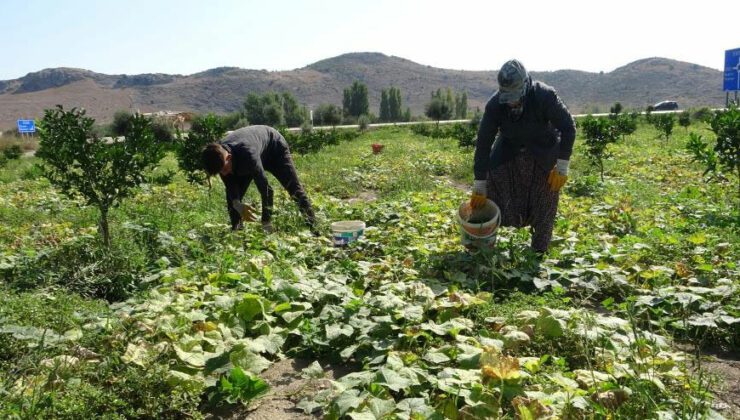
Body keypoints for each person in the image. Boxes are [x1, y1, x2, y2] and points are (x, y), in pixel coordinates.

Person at [470, 59, 576, 253]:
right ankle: (482, 247)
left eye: (516, 96)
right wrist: (479, 184)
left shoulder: (545, 96)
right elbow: (483, 144)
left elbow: (569, 128)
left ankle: (537, 253)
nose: (512, 102)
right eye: (507, 97)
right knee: (491, 192)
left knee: (546, 197)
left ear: (526, 85)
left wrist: (561, 166)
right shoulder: (494, 105)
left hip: (543, 154)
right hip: (508, 153)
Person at [201, 125, 316, 233]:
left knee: (294, 189)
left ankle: (314, 228)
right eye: (220, 172)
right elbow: (231, 188)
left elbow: (267, 190)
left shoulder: (248, 154)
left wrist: (266, 222)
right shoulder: (218, 156)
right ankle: (237, 233)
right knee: (232, 200)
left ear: (229, 158)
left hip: (274, 148)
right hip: (247, 154)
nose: (224, 174)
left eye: (225, 169)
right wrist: (236, 203)